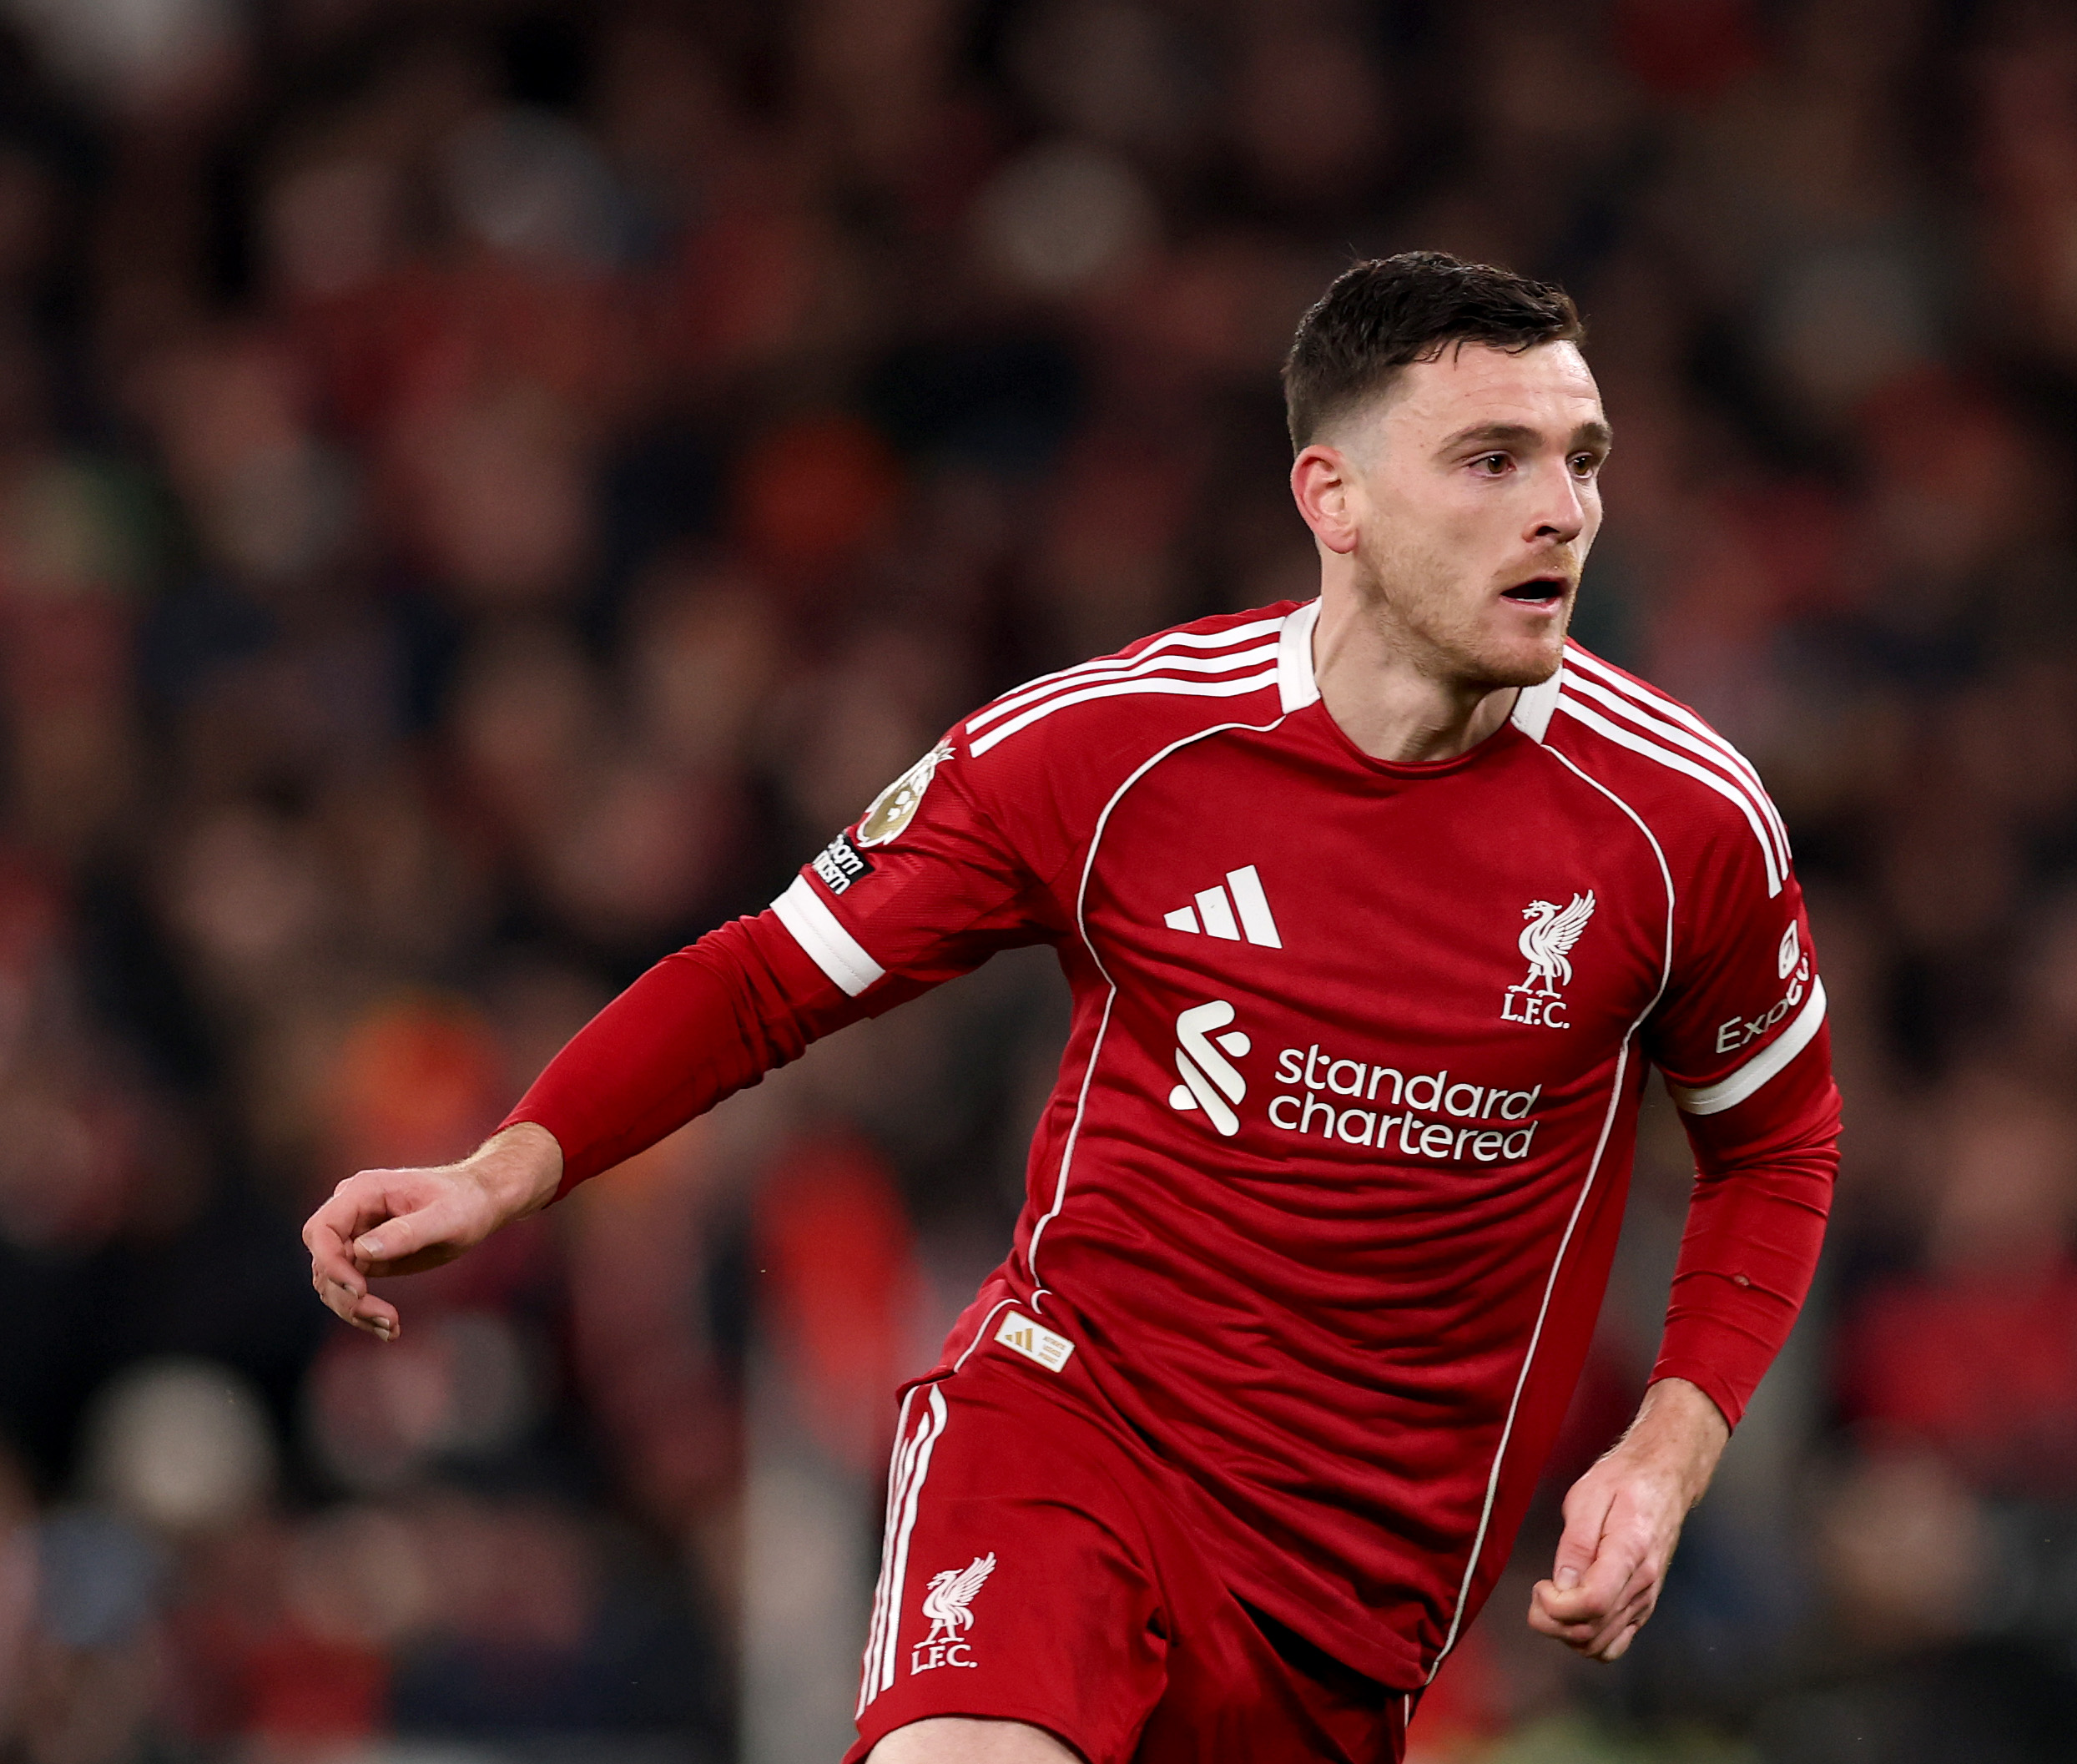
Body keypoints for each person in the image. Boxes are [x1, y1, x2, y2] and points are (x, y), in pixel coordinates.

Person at [302, 253, 1840, 1764]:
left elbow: (1774, 1150)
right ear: (1335, 502)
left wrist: (1663, 1450)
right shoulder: (1112, 750)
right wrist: (502, 1167)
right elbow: (770, 974)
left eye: (1582, 459)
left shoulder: (1680, 823)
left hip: (1359, 1604)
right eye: (1490, 459)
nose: (1559, 509)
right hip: (1070, 1434)